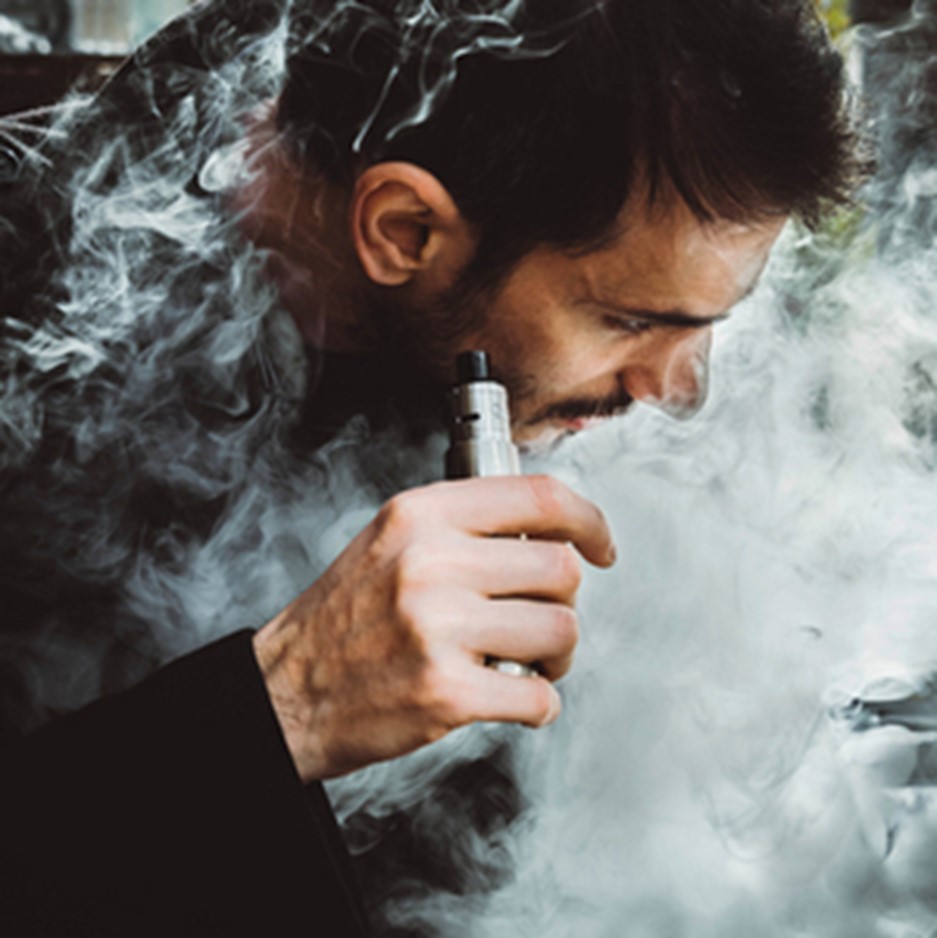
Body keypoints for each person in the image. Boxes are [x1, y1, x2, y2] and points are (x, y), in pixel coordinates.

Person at [0, 0, 867, 934]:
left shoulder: (440, 331)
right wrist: (283, 703)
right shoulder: (39, 306)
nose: (673, 391)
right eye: (628, 321)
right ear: (404, 229)